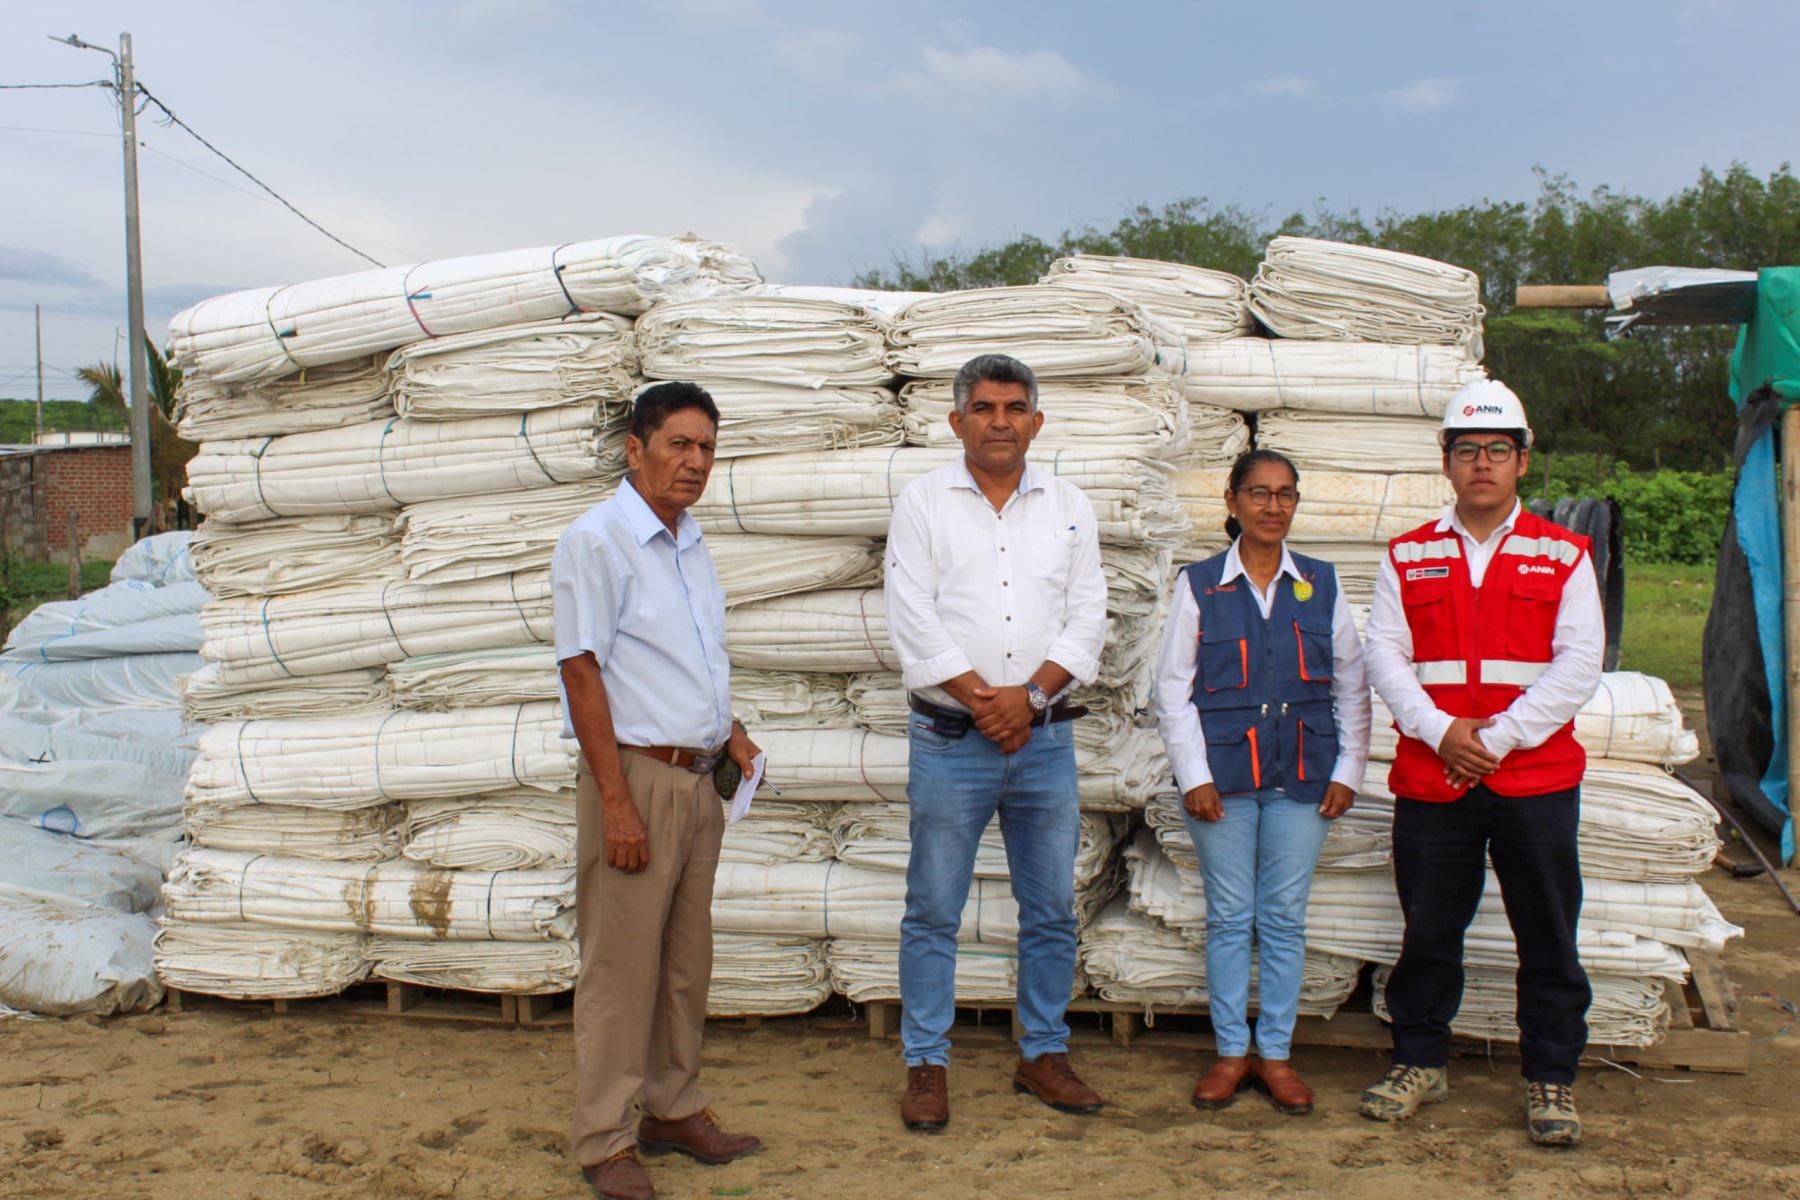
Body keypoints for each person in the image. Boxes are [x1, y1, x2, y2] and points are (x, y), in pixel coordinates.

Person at [1358, 379, 1603, 1147]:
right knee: (1429, 930)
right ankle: (1420, 1060)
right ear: (1447, 462)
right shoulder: (1410, 554)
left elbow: (1580, 663)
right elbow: (1385, 656)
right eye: (1468, 451)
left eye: (1499, 450)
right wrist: (1439, 732)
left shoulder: (1562, 554)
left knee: (1548, 933)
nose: (1483, 465)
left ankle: (1551, 1076)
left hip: (1533, 780)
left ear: (1523, 462)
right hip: (1433, 781)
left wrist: (1490, 740)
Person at [884, 352, 1110, 1132]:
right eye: (984, 408)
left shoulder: (1069, 505)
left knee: (1050, 907)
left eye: (1015, 407)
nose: (1001, 421)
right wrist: (988, 703)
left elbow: (1088, 618)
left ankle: (1043, 1053)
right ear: (957, 421)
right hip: (950, 740)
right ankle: (926, 1064)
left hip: (1044, 742)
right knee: (933, 908)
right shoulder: (923, 504)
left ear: (1036, 421)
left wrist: (1032, 697)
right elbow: (913, 615)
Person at [553, 382, 764, 1200]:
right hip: (635, 778)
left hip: (695, 777)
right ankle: (605, 1138)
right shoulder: (598, 541)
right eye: (679, 444)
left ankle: (672, 1107)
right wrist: (614, 802)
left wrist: (731, 729)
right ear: (635, 449)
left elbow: (689, 656)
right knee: (620, 968)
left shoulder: (688, 541)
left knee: (683, 963)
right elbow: (582, 671)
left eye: (707, 448)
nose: (696, 462)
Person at [1152, 448, 1371, 1115]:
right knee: (1228, 918)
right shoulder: (1200, 585)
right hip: (1224, 778)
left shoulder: (1321, 584)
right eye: (1259, 493)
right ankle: (1228, 1053)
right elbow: (1171, 689)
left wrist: (1348, 771)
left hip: (1303, 777)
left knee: (1281, 918)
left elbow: (1352, 687)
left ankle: (1274, 1054)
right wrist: (1193, 775)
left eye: (1284, 495)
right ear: (1232, 501)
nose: (1272, 507)